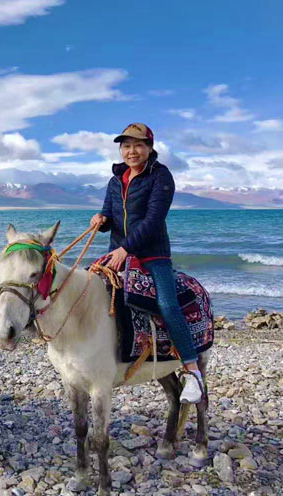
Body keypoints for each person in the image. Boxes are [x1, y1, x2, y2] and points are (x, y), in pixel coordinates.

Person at [90, 123, 205, 404]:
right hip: (116, 251)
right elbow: (110, 213)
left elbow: (154, 221)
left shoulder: (161, 176)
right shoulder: (116, 179)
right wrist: (101, 220)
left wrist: (125, 249)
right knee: (87, 293)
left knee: (167, 304)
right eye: (126, 146)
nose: (132, 151)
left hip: (153, 254)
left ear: (150, 148)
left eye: (138, 145)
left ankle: (192, 371)